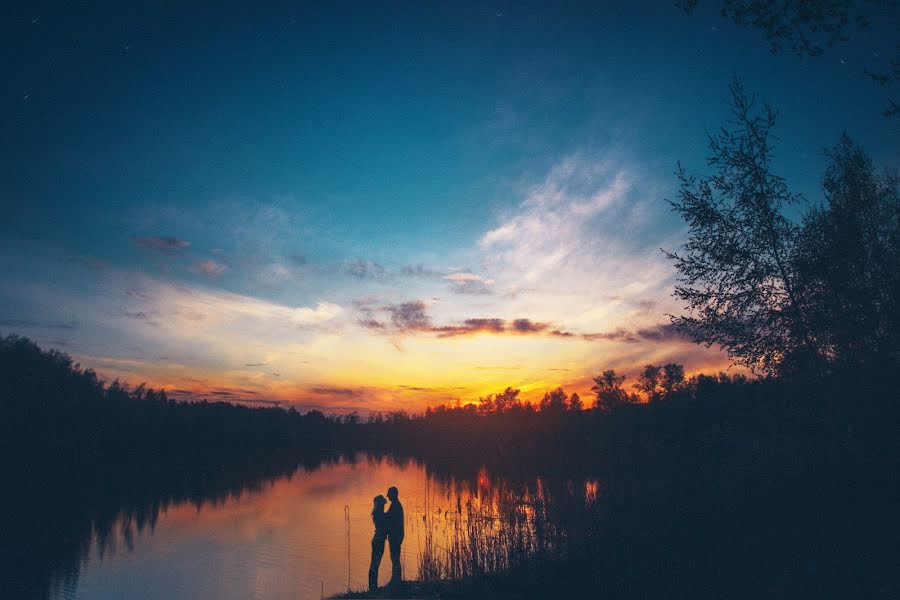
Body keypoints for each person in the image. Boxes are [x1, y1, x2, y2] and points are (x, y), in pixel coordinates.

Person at [368, 495, 388, 591]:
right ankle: (373, 587)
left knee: (374, 564)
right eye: (383, 502)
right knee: (375, 564)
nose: (385, 503)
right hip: (379, 541)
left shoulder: (377, 513)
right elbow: (385, 527)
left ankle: (372, 586)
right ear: (380, 504)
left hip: (377, 540)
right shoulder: (380, 515)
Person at [385, 486, 404, 586]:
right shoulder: (395, 505)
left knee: (395, 557)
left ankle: (396, 580)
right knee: (395, 557)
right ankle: (396, 579)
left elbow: (388, 518)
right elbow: (388, 517)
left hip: (395, 536)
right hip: (396, 536)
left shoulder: (396, 506)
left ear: (393, 495)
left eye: (389, 495)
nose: (388, 497)